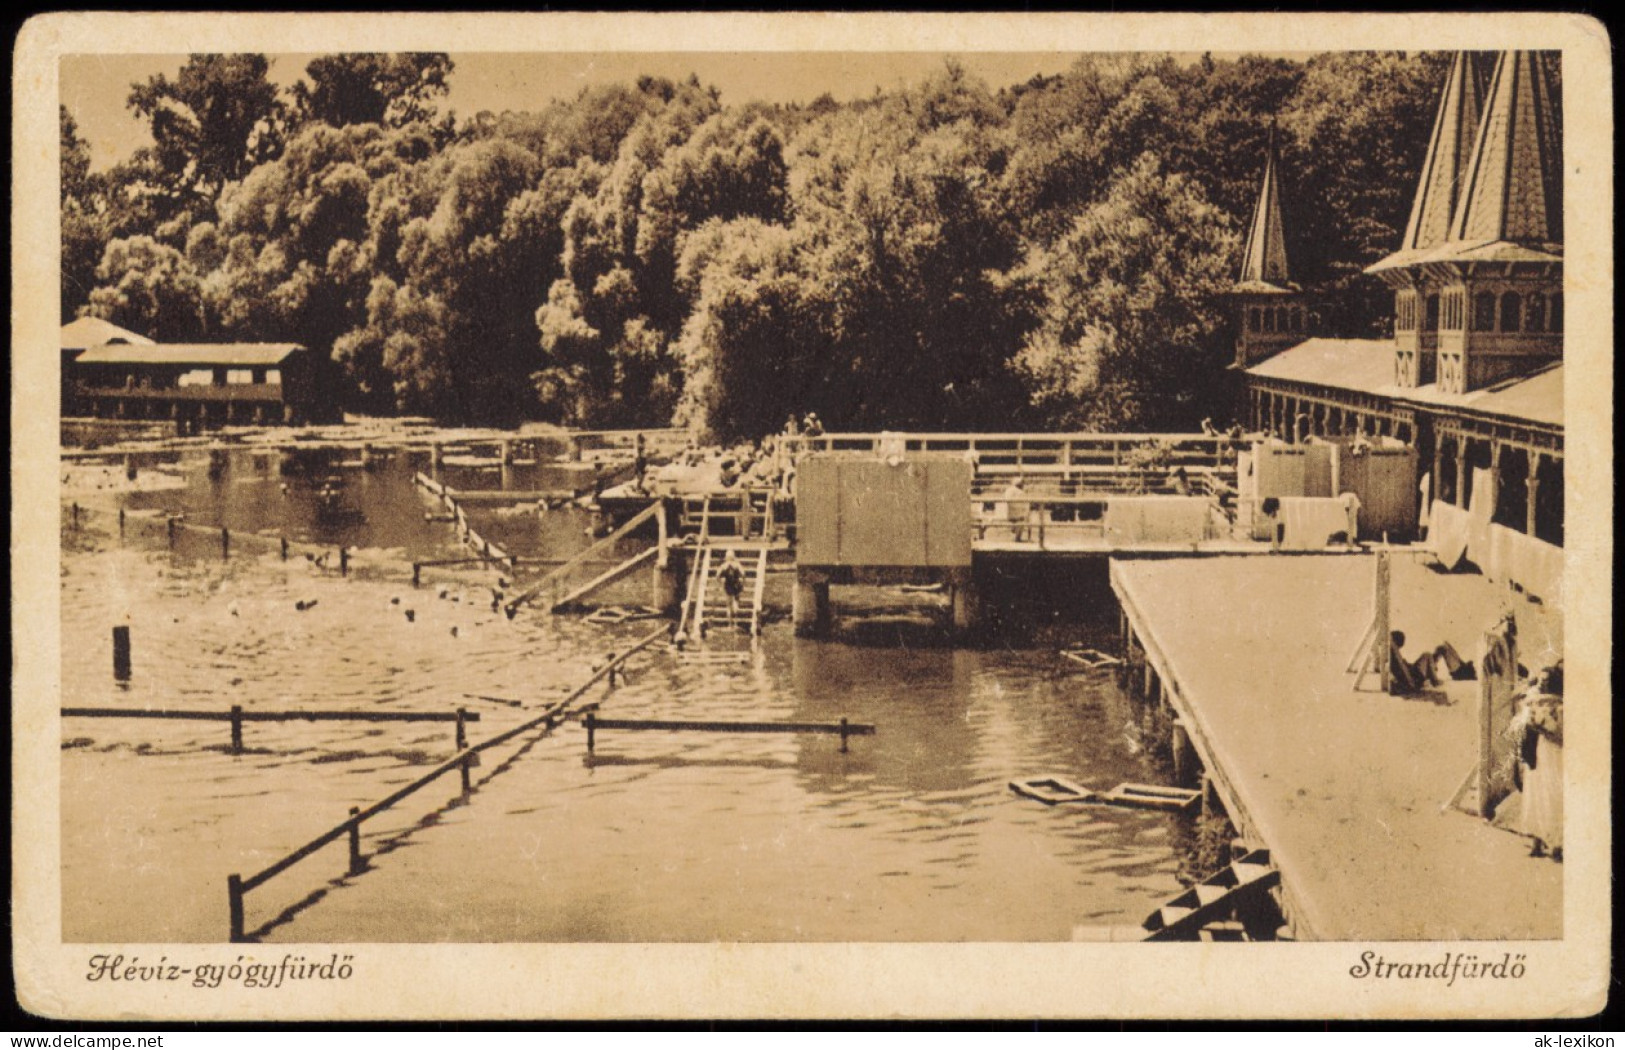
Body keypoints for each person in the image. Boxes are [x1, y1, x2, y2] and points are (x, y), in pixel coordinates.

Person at [1514, 664, 1563, 859]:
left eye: (1547, 680)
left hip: (1554, 754)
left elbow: (1561, 736)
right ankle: (1537, 842)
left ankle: (1557, 845)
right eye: (1542, 680)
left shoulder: (1560, 706)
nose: (1544, 683)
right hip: (1538, 752)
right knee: (1535, 795)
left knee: (1553, 796)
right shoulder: (1535, 701)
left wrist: (1540, 729)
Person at [1388, 631, 1476, 694]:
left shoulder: (1394, 652)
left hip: (1416, 672)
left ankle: (1462, 668)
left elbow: (1404, 669)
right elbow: (1407, 678)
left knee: (1442, 647)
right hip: (1415, 677)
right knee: (1427, 655)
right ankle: (1451, 675)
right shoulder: (1393, 652)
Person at [718, 550, 746, 623]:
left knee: (728, 605)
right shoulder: (737, 565)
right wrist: (742, 582)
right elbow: (743, 574)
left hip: (728, 585)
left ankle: (730, 623)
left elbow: (717, 576)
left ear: (726, 557)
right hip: (736, 585)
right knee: (736, 601)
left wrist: (720, 582)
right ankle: (735, 616)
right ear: (733, 557)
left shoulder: (723, 566)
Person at [1003, 477, 1031, 542]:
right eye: (1021, 483)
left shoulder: (1011, 490)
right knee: (1022, 519)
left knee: (1022, 518)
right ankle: (1017, 538)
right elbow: (1009, 501)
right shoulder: (1015, 491)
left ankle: (1016, 533)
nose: (1023, 485)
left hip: (1014, 511)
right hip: (1012, 511)